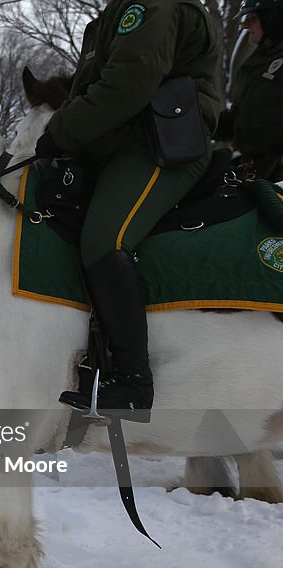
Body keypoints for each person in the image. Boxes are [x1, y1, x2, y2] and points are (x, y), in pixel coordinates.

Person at [34, 0, 222, 414]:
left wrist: (62, 130)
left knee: (105, 238)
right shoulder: (107, 21)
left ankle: (134, 382)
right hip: (114, 149)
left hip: (158, 146)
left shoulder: (153, 6)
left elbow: (129, 83)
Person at [217, 0, 283, 181]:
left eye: (252, 19)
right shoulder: (257, 61)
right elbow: (243, 114)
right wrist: (206, 122)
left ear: (272, 19)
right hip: (255, 169)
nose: (246, 25)